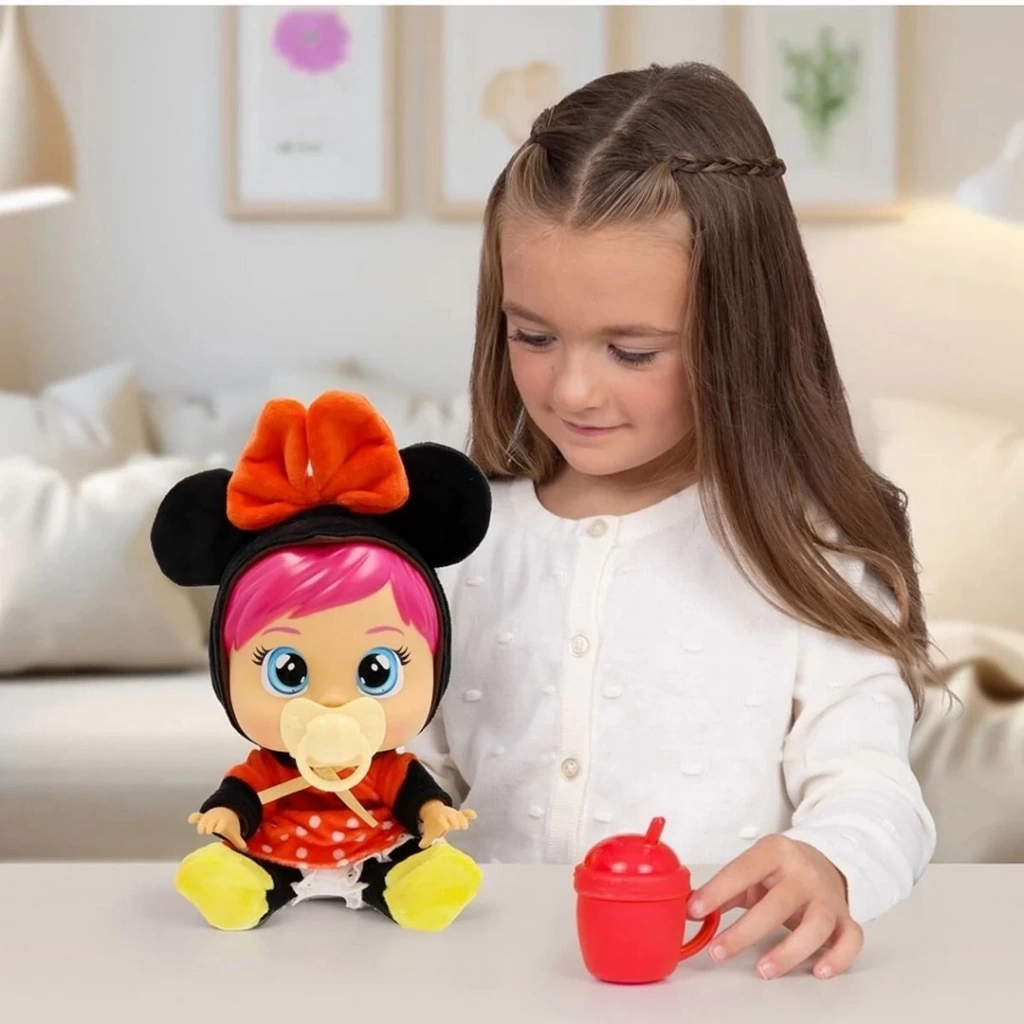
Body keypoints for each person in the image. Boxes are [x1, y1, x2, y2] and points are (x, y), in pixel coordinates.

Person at [411, 62, 937, 980]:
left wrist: (835, 860)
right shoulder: (461, 543)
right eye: (533, 336)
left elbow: (871, 787)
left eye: (631, 350)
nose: (573, 389)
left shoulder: (804, 551)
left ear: (741, 339)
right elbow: (405, 770)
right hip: (483, 979)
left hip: (719, 982)